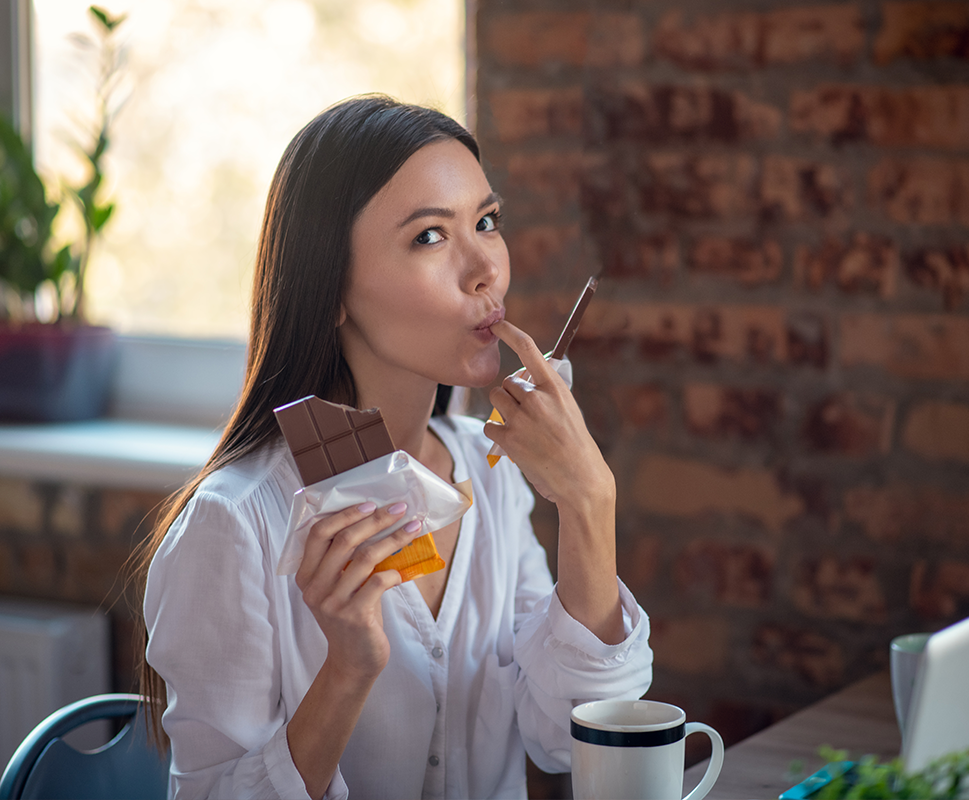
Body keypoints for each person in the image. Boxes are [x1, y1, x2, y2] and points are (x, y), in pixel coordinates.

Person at [138, 95, 653, 800]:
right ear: (332, 290)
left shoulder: (493, 472)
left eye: (486, 222)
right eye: (429, 238)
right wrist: (347, 668)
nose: (485, 271)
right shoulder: (235, 524)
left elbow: (571, 737)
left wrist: (590, 504)